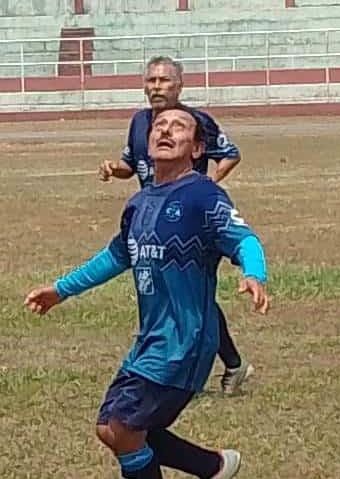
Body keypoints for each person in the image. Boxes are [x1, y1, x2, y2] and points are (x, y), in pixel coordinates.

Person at [25, 105, 270, 479]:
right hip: (152, 337)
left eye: (179, 127)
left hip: (185, 340)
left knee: (122, 428)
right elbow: (117, 256)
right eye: (159, 125)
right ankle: (211, 466)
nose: (165, 131)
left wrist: (254, 273)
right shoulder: (139, 202)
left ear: (197, 149)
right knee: (111, 428)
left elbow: (244, 238)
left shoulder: (203, 196)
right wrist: (60, 290)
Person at [99, 56, 251, 395]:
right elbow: (131, 164)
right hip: (151, 221)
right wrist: (114, 169)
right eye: (151, 80)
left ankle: (189, 370)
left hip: (189, 221)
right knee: (170, 296)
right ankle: (227, 364)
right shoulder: (140, 123)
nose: (156, 87)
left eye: (164, 81)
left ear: (179, 85)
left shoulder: (195, 122)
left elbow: (230, 153)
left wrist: (208, 182)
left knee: (190, 299)